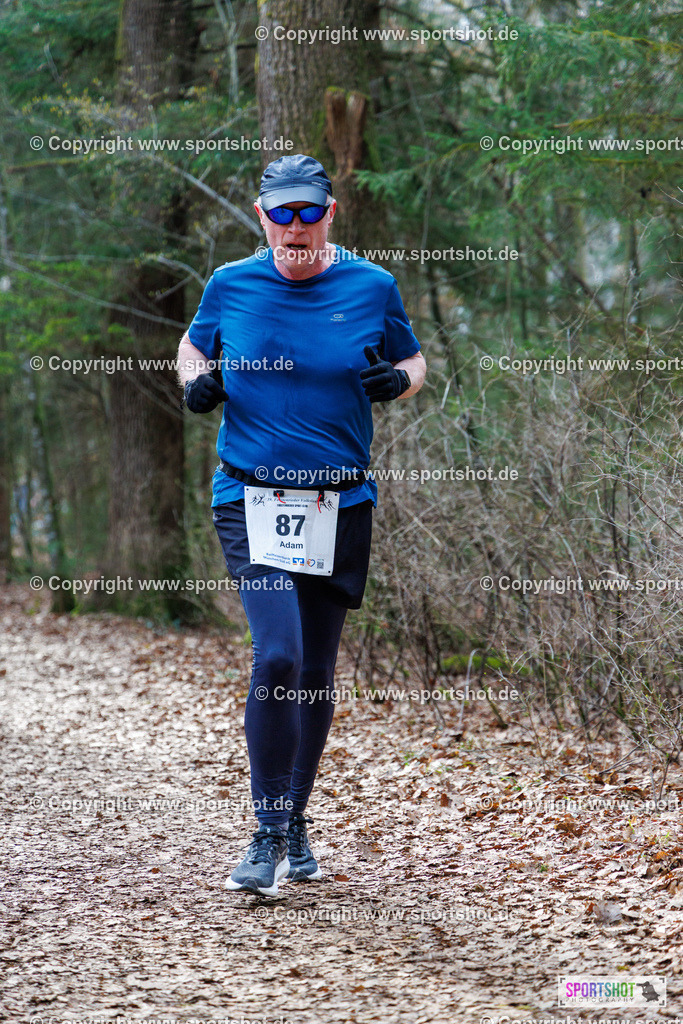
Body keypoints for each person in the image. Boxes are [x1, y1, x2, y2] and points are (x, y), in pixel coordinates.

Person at [177, 154, 426, 896]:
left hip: (339, 505)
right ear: (261, 215)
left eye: (306, 213)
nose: (294, 227)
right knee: (278, 657)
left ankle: (294, 819)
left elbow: (412, 359)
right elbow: (193, 346)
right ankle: (264, 831)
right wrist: (198, 381)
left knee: (315, 676)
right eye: (279, 213)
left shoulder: (371, 285)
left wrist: (399, 383)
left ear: (329, 214)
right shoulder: (230, 284)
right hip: (249, 501)